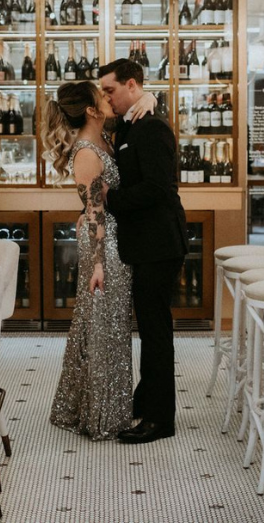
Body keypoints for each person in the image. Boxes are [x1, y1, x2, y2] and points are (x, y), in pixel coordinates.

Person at [43, 80, 155, 441]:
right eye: (102, 96)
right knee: (104, 327)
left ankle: (108, 406)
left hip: (117, 239)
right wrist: (97, 265)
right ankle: (101, 415)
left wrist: (150, 96)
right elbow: (94, 212)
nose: (109, 98)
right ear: (91, 111)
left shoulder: (105, 138)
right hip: (103, 246)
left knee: (112, 325)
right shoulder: (86, 152)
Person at [99, 58, 188, 445]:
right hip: (144, 243)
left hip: (161, 243)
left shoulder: (152, 127)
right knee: (149, 328)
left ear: (132, 85)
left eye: (111, 90)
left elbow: (157, 188)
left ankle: (159, 419)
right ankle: (145, 399)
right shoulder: (129, 122)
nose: (106, 97)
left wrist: (110, 198)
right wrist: (151, 97)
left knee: (156, 333)